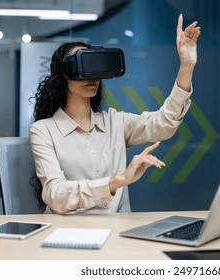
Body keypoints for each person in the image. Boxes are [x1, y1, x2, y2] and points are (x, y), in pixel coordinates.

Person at [30, 14, 201, 214]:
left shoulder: (114, 121)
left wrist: (186, 66)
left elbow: (164, 124)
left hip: (117, 231)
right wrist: (118, 181)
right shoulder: (43, 130)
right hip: (69, 232)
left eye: (95, 68)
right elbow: (55, 194)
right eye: (83, 66)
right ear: (63, 75)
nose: (91, 76)